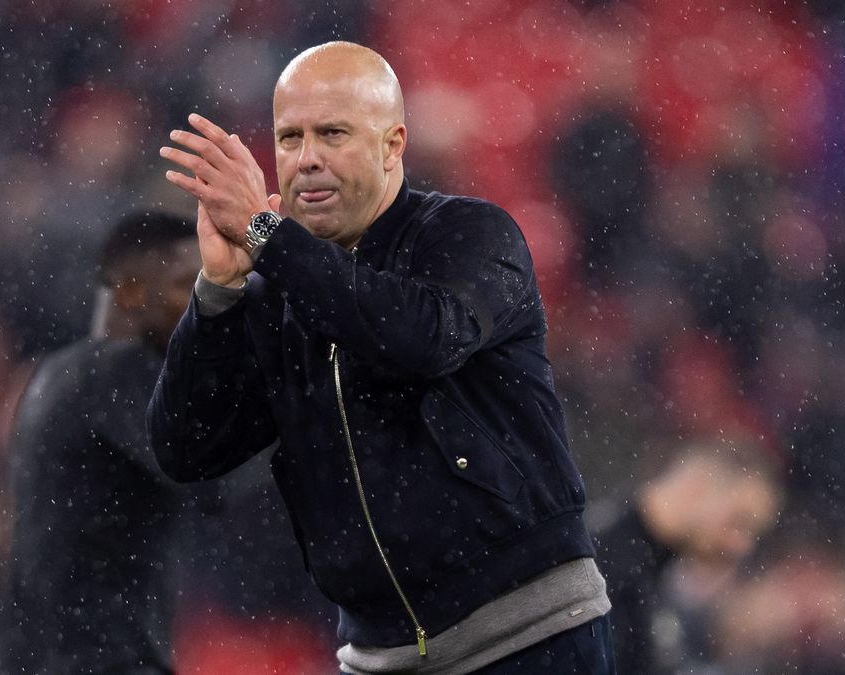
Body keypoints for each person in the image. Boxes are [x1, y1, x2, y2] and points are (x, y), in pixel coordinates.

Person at [151, 41, 615, 674]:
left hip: (528, 638)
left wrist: (265, 236)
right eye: (289, 138)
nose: (307, 159)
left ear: (393, 145)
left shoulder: (470, 234)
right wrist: (218, 291)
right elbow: (186, 450)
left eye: (332, 133)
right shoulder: (275, 290)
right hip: (379, 655)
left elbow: (417, 340)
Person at [7, 211, 203, 674]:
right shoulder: (116, 371)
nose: (202, 304)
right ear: (132, 293)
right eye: (186, 286)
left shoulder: (55, 375)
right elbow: (209, 475)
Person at [591, 439, 781, 674]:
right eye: (739, 521)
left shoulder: (648, 567)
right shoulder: (605, 561)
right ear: (696, 486)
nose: (743, 546)